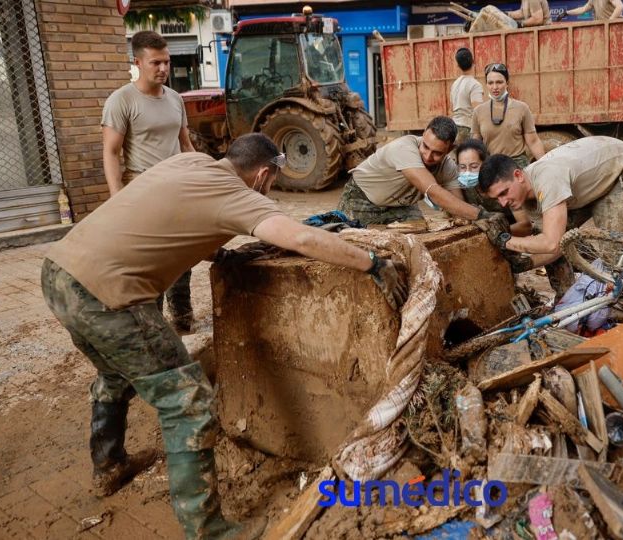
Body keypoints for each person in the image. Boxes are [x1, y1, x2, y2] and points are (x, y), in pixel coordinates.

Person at [41, 134, 406, 540]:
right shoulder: (239, 194)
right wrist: (371, 263)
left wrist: (220, 253)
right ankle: (209, 532)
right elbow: (301, 238)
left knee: (116, 374)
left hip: (60, 273)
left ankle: (109, 466)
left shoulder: (191, 164)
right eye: (271, 183)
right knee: (188, 403)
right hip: (109, 297)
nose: (269, 190)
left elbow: (173, 217)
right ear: (263, 174)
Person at [102, 31, 196, 332]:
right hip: (143, 191)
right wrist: (117, 196)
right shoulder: (122, 100)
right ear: (138, 62)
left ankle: (182, 317)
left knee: (182, 255)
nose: (163, 69)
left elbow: (186, 143)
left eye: (167, 62)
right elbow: (111, 152)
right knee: (151, 262)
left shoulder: (175, 98)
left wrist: (201, 174)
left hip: (178, 189)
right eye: (156, 62)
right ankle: (153, 326)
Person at [477, 136, 623, 295]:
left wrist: (504, 241)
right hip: (586, 184)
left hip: (621, 168)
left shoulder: (547, 180)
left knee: (618, 258)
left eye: (504, 192)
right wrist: (527, 263)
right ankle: (567, 298)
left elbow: (551, 243)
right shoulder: (527, 198)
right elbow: (554, 246)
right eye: (497, 198)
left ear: (518, 176)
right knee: (544, 237)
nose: (503, 203)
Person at [337, 116, 498, 225]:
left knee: (420, 240)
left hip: (401, 205)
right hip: (361, 199)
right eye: (425, 147)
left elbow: (457, 205)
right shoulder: (404, 148)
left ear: (450, 149)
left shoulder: (447, 167)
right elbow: (432, 191)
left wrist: (474, 218)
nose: (428, 156)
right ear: (423, 136)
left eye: (437, 153)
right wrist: (481, 215)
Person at [471, 63, 546, 170]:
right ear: (486, 84)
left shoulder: (522, 108)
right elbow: (475, 146)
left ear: (507, 83)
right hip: (492, 168)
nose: (495, 87)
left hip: (517, 167)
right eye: (490, 83)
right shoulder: (478, 112)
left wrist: (545, 165)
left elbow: (533, 142)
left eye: (499, 82)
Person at [456, 139, 532, 236]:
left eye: (474, 167)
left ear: (486, 163)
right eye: (462, 167)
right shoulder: (463, 187)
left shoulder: (502, 185)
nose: (467, 172)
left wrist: (495, 233)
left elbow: (525, 226)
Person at [450, 48, 484, 145]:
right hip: (468, 128)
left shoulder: (455, 84)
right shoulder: (475, 85)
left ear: (457, 65)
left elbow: (452, 108)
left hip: (455, 127)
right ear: (473, 62)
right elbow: (478, 111)